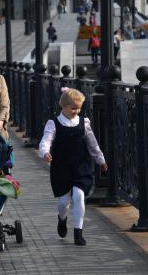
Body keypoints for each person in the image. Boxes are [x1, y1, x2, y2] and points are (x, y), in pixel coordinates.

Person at [39, 87, 108, 246]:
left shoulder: (84, 123)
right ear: (63, 106)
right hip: (61, 168)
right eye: (73, 108)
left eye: (79, 108)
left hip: (80, 167)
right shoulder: (54, 123)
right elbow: (46, 140)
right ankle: (62, 219)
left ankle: (78, 233)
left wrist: (101, 160)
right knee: (63, 202)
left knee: (79, 196)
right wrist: (45, 152)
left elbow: (93, 144)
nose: (77, 111)